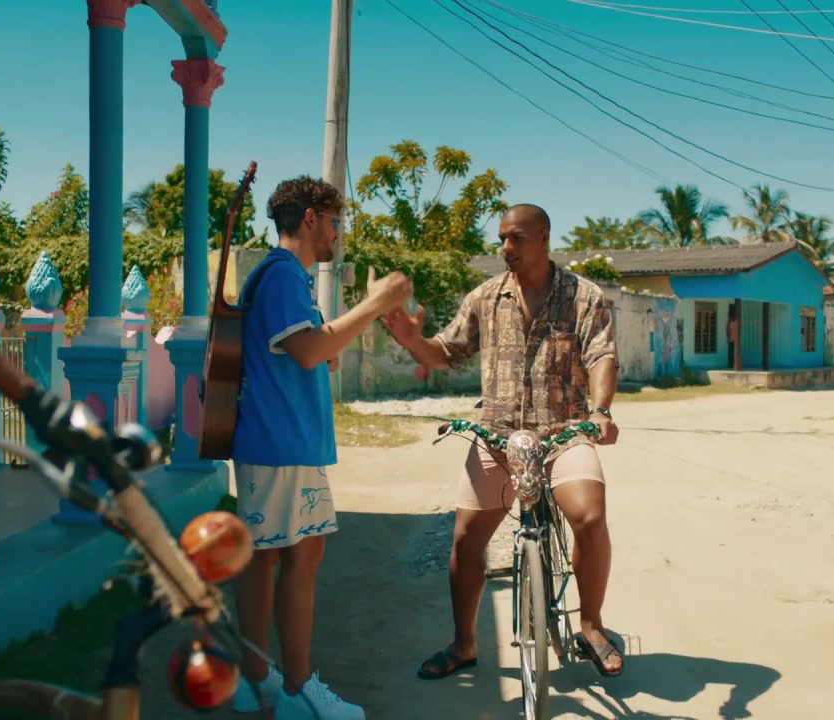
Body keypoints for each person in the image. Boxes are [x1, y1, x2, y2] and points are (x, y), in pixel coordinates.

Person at [381, 203, 626, 679]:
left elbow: (601, 356)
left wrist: (601, 411)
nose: (506, 248)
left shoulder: (584, 296)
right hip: (497, 435)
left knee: (590, 517)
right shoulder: (486, 297)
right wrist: (413, 341)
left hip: (564, 433)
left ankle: (591, 626)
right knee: (465, 539)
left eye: (517, 238)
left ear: (544, 238)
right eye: (502, 239)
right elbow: (446, 352)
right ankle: (464, 643)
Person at [229, 175, 413, 719]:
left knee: (264, 558)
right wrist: (374, 304)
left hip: (273, 438)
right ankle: (299, 694)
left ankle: (255, 681)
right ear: (310, 218)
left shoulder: (276, 275)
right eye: (335, 221)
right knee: (302, 557)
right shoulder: (285, 274)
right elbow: (309, 352)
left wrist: (331, 341)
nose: (337, 233)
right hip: (283, 441)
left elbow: (308, 349)